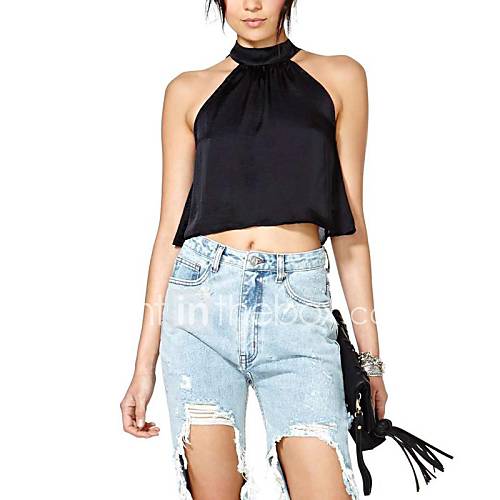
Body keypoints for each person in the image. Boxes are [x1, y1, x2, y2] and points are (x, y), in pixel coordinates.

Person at [120, 1, 388, 499]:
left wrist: (370, 358)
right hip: (199, 309)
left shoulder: (341, 77)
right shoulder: (187, 90)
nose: (252, 4)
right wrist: (142, 367)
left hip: (298, 308)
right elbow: (169, 231)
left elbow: (351, 230)